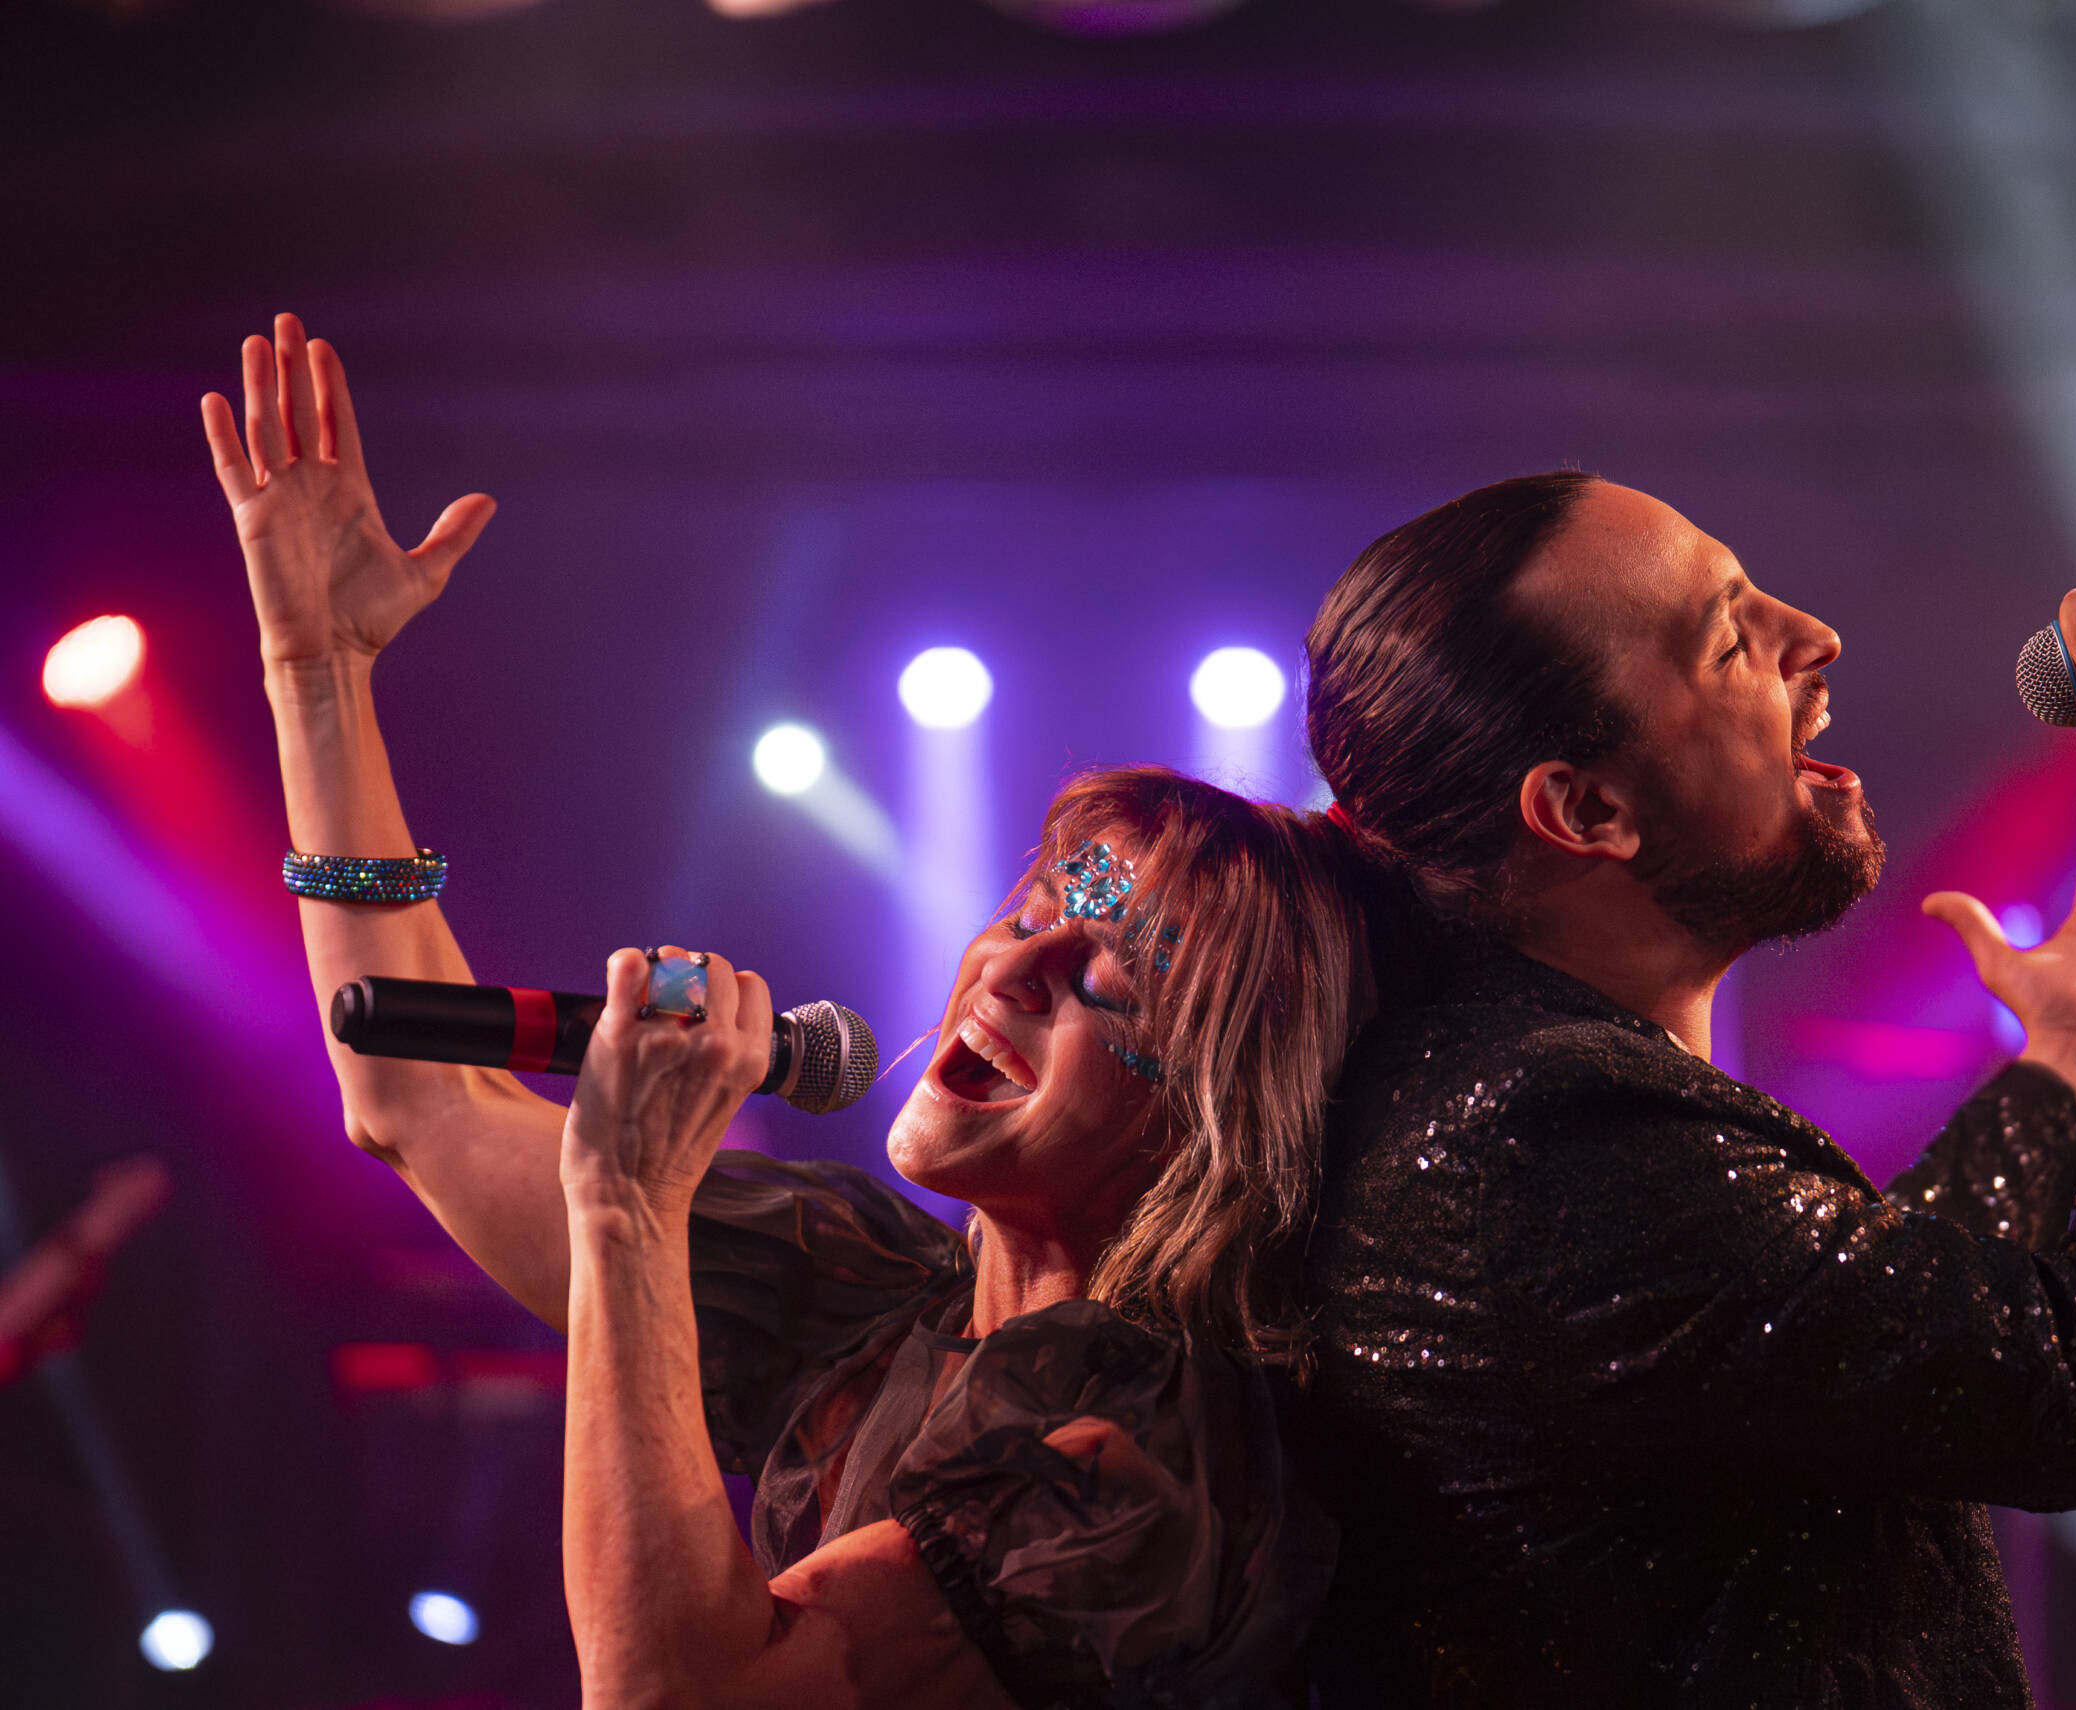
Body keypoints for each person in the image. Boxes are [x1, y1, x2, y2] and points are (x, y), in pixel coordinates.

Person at [205, 314, 1353, 1708]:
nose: (1009, 969)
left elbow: (670, 1695)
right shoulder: (867, 1295)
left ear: (1217, 1103)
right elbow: (417, 1100)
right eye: (1033, 911)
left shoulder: (1145, 1452)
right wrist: (318, 677)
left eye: (1110, 972)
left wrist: (630, 1205)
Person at [1291, 470, 2076, 1706]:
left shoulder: (1506, 1112)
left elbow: (1856, 1331)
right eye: (1730, 639)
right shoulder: (1543, 1145)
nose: (1816, 637)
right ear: (1586, 809)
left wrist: (2070, 1065)